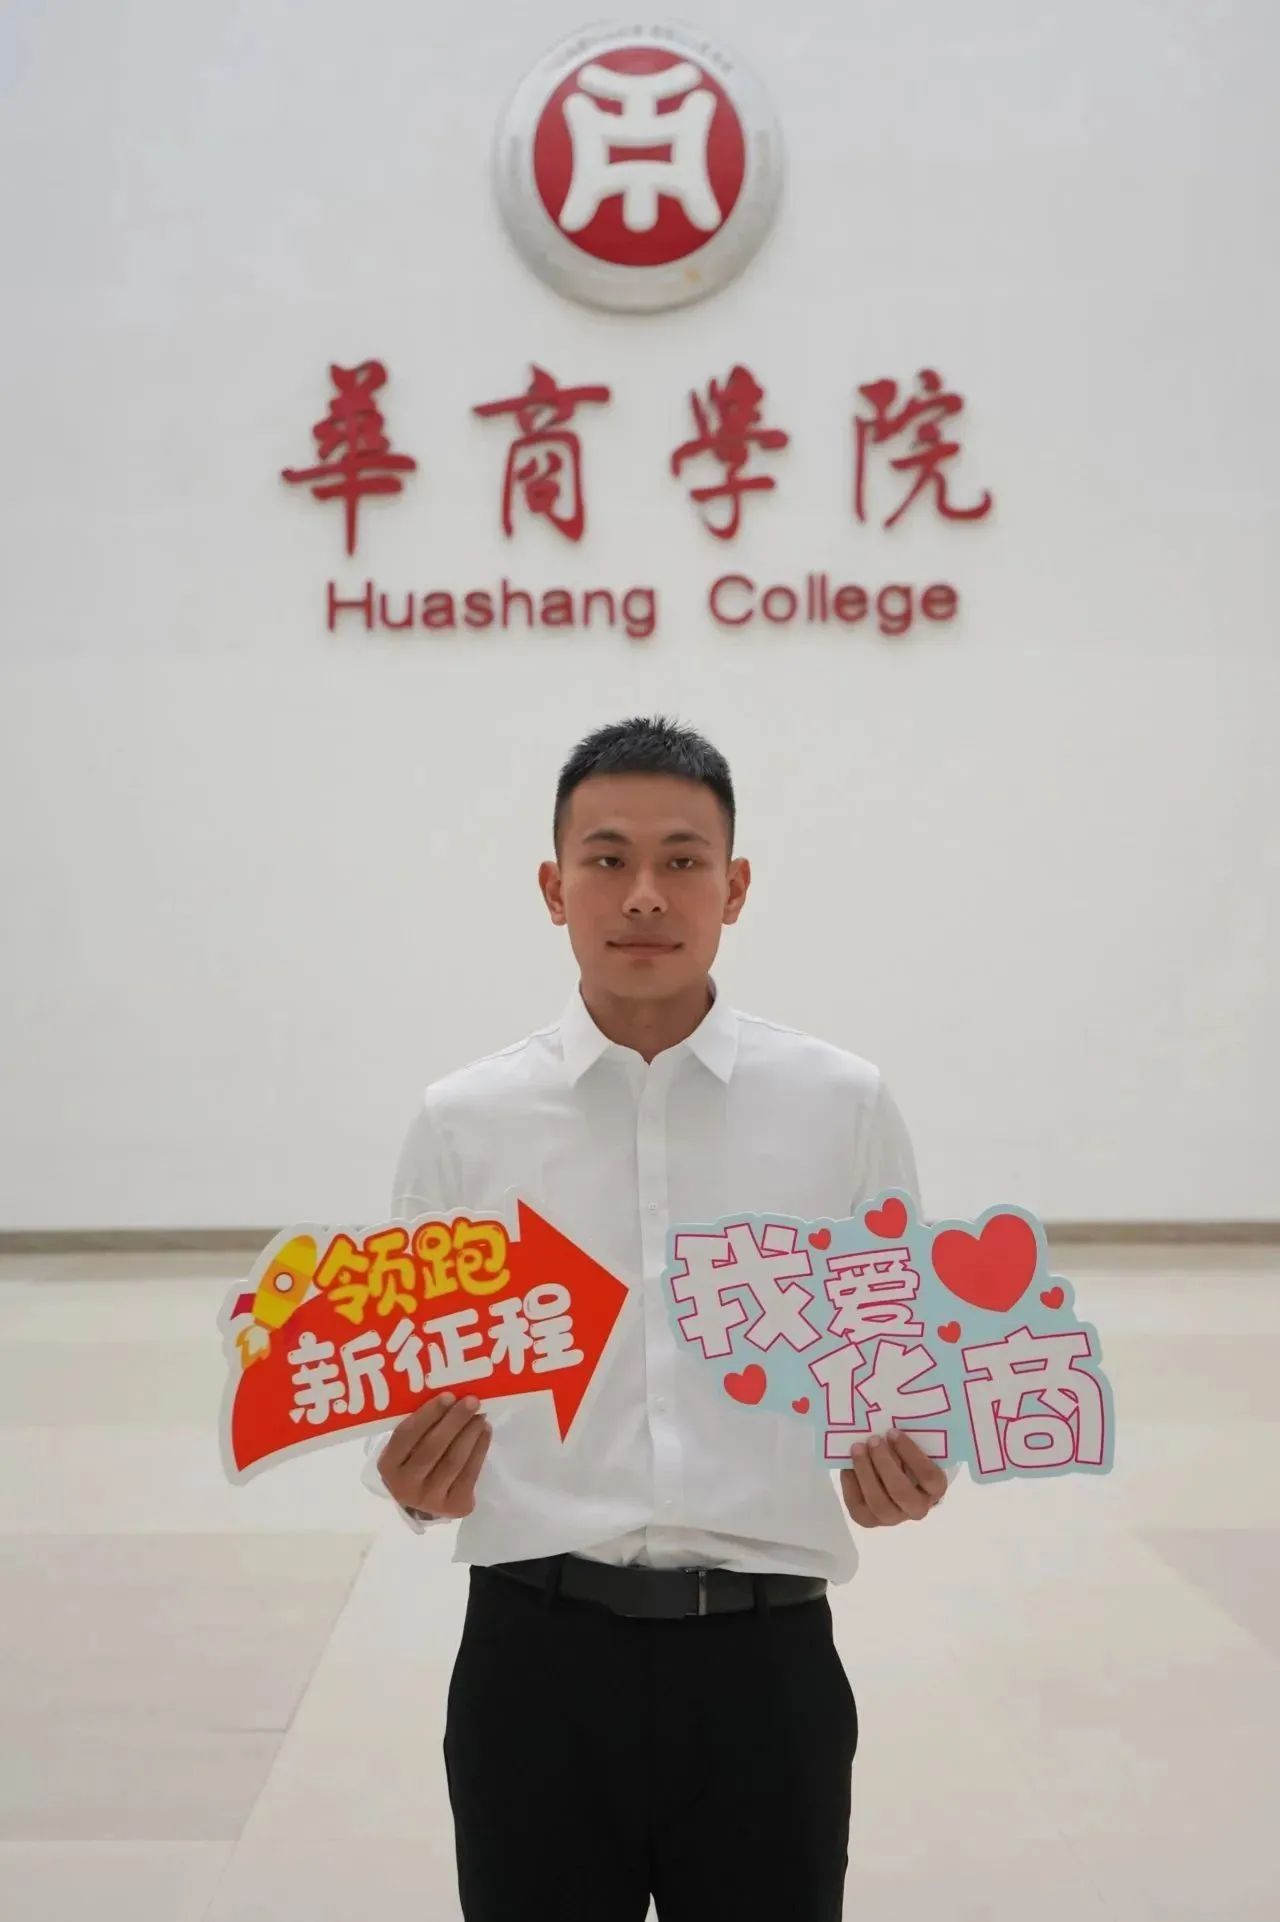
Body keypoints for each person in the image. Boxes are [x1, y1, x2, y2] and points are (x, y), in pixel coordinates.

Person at [368, 716, 949, 1922]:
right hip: (531, 1662)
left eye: (682, 859)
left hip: (766, 1669)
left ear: (734, 887)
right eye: (607, 857)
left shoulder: (839, 1105)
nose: (643, 892)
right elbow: (408, 1401)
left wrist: (904, 1464)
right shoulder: (464, 1122)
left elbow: (898, 1377)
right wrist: (412, 1482)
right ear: (553, 887)